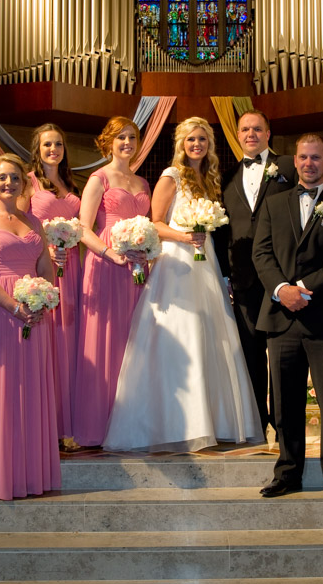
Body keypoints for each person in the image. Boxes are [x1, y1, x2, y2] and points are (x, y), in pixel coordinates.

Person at [103, 118, 263, 453]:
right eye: (191, 139)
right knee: (183, 334)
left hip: (204, 265)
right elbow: (155, 222)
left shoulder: (209, 178)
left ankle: (213, 421)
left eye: (202, 139)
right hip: (176, 262)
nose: (197, 145)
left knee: (211, 335)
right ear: (182, 143)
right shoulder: (170, 176)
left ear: (210, 144)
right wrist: (184, 235)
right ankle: (175, 424)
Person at [253, 134, 323, 500]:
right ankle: (287, 473)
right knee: (284, 402)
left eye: (316, 157)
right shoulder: (273, 204)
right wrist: (282, 289)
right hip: (282, 317)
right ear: (295, 161)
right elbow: (261, 254)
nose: (309, 163)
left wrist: (302, 287)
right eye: (303, 157)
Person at [0, 155, 61, 499]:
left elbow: (46, 269)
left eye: (15, 178)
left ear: (23, 183)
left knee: (28, 388)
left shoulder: (33, 221)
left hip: (34, 312)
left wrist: (44, 302)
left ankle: (29, 472)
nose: (8, 183)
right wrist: (12, 306)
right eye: (2, 178)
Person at [72, 116, 153, 447]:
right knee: (106, 342)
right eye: (120, 137)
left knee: (134, 343)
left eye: (132, 137)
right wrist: (109, 253)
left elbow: (148, 225)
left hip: (136, 268)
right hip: (106, 265)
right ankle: (97, 427)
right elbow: (82, 227)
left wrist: (146, 250)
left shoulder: (143, 183)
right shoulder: (99, 178)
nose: (127, 143)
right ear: (108, 142)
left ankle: (131, 424)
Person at [217, 109, 296, 435]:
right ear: (238, 135)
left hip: (280, 276)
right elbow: (221, 231)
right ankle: (256, 421)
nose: (251, 134)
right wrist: (225, 275)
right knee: (251, 353)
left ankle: (284, 420)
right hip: (243, 278)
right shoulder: (227, 176)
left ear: (268, 132)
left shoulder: (289, 167)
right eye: (245, 130)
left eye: (257, 129)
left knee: (281, 353)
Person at [21, 123, 83, 451]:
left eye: (58, 144)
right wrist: (44, 250)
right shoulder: (29, 183)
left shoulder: (70, 184)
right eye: (47, 144)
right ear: (37, 148)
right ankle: (44, 426)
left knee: (68, 345)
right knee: (48, 344)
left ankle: (66, 425)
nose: (53, 149)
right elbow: (18, 224)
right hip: (43, 269)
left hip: (70, 271)